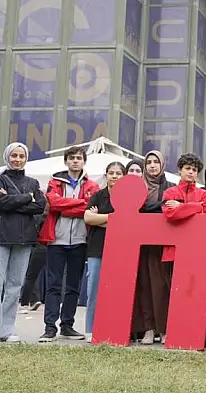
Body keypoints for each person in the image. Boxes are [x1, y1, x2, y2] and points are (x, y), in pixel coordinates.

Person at [38, 146, 99, 342]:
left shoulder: (92, 185)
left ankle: (67, 325)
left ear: (84, 161)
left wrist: (66, 207)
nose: (75, 161)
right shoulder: (55, 181)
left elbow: (90, 208)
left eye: (79, 158)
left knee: (73, 286)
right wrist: (80, 204)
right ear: (66, 161)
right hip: (56, 240)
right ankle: (50, 327)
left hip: (80, 240)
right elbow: (54, 204)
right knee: (54, 285)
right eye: (72, 158)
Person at [161, 153, 206, 337]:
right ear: (180, 170)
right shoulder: (170, 192)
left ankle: (205, 320)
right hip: (174, 251)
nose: (191, 172)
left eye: (194, 170)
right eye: (187, 168)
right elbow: (171, 215)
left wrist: (183, 207)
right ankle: (176, 325)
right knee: (176, 289)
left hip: (200, 250)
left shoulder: (204, 194)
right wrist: (198, 207)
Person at [0, 143, 45, 343]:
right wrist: (27, 198)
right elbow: (1, 203)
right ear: (7, 157)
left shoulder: (33, 182)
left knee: (15, 285)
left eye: (21, 156)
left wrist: (12, 201)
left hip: (25, 239)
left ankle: (6, 329)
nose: (17, 159)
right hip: (2, 237)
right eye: (14, 155)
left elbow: (39, 206)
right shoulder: (1, 178)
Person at [132, 150, 175, 345]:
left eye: (156, 162)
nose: (152, 165)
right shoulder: (138, 187)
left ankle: (163, 329)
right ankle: (148, 329)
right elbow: (136, 209)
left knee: (161, 287)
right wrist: (159, 206)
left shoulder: (170, 187)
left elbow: (169, 209)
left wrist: (155, 208)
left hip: (162, 244)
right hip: (141, 245)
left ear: (162, 164)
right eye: (148, 162)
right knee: (144, 286)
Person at [83, 161, 125, 342]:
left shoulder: (127, 197)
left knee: (116, 290)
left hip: (120, 249)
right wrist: (113, 218)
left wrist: (100, 218)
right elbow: (88, 217)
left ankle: (114, 327)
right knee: (93, 290)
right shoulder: (98, 195)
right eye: (111, 173)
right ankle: (90, 329)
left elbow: (127, 222)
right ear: (106, 175)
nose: (114, 176)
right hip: (97, 248)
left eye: (118, 173)